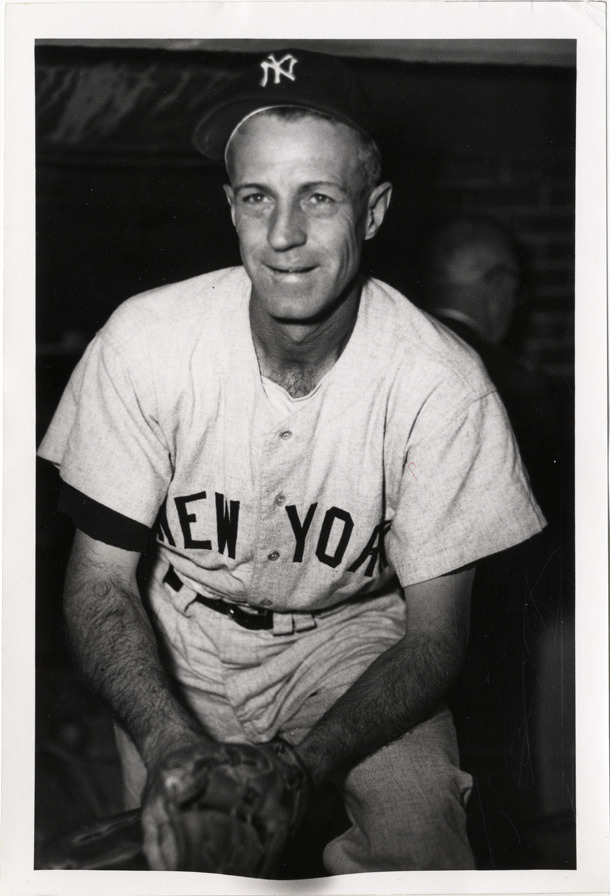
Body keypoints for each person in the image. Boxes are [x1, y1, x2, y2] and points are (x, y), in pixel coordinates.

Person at [38, 48, 546, 875]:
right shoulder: (145, 341)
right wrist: (169, 744)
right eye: (257, 197)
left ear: (373, 211)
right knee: (186, 865)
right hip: (181, 634)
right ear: (230, 208)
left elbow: (435, 638)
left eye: (318, 197)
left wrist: (301, 765)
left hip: (352, 642)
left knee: (421, 838)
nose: (283, 236)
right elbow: (98, 581)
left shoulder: (443, 386)